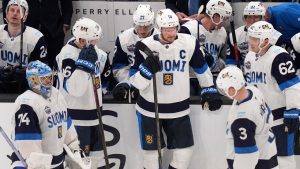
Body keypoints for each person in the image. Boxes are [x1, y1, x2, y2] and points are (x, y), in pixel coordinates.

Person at [129, 8, 222, 169]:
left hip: (179, 108)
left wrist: (209, 88)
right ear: (159, 28)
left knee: (185, 151)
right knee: (152, 156)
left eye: (173, 28)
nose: (171, 33)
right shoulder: (144, 46)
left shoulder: (189, 42)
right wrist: (145, 72)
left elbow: (201, 68)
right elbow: (135, 82)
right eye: (167, 29)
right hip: (150, 109)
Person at [55, 17, 112, 169]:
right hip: (77, 119)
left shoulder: (97, 53)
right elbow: (75, 89)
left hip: (95, 115)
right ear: (81, 39)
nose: (96, 44)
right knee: (78, 163)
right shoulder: (67, 56)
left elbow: (103, 80)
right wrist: (83, 67)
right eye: (93, 40)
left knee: (97, 159)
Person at [10, 60, 87, 169]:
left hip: (57, 162)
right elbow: (28, 141)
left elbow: (66, 122)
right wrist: (38, 165)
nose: (49, 82)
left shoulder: (56, 94)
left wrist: (74, 148)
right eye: (44, 79)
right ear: (33, 80)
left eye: (50, 77)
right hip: (32, 165)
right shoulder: (27, 103)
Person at [244, 21, 300, 169]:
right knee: (261, 159)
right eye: (250, 38)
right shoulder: (250, 56)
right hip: (259, 120)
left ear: (266, 40)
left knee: (284, 157)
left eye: (255, 39)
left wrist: (293, 110)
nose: (251, 42)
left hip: (280, 120)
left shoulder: (279, 57)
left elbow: (293, 86)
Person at [216, 66, 278, 169]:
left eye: (224, 89)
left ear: (232, 89)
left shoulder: (243, 119)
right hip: (270, 154)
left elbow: (247, 156)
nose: (223, 92)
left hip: (260, 163)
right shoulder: (253, 90)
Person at [2, 0, 73, 69]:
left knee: (53, 67)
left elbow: (66, 2)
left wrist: (66, 22)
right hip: (26, 27)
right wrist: (8, 22)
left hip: (54, 28)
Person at [112, 4, 159, 101]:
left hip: (155, 81)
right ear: (134, 23)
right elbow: (118, 66)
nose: (142, 31)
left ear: (152, 24)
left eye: (146, 27)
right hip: (131, 78)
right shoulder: (123, 38)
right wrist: (128, 82)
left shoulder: (161, 37)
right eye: (138, 26)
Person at [0, 0, 47, 93]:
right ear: (6, 13)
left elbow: (44, 69)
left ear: (25, 16)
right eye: (12, 10)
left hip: (24, 88)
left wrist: (28, 74)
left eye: (19, 11)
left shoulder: (36, 37)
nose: (15, 13)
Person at [226, 1, 265, 68]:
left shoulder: (270, 34)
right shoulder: (235, 35)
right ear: (245, 18)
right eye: (249, 17)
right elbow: (231, 61)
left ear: (262, 18)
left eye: (256, 17)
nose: (252, 20)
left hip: (263, 71)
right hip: (244, 71)